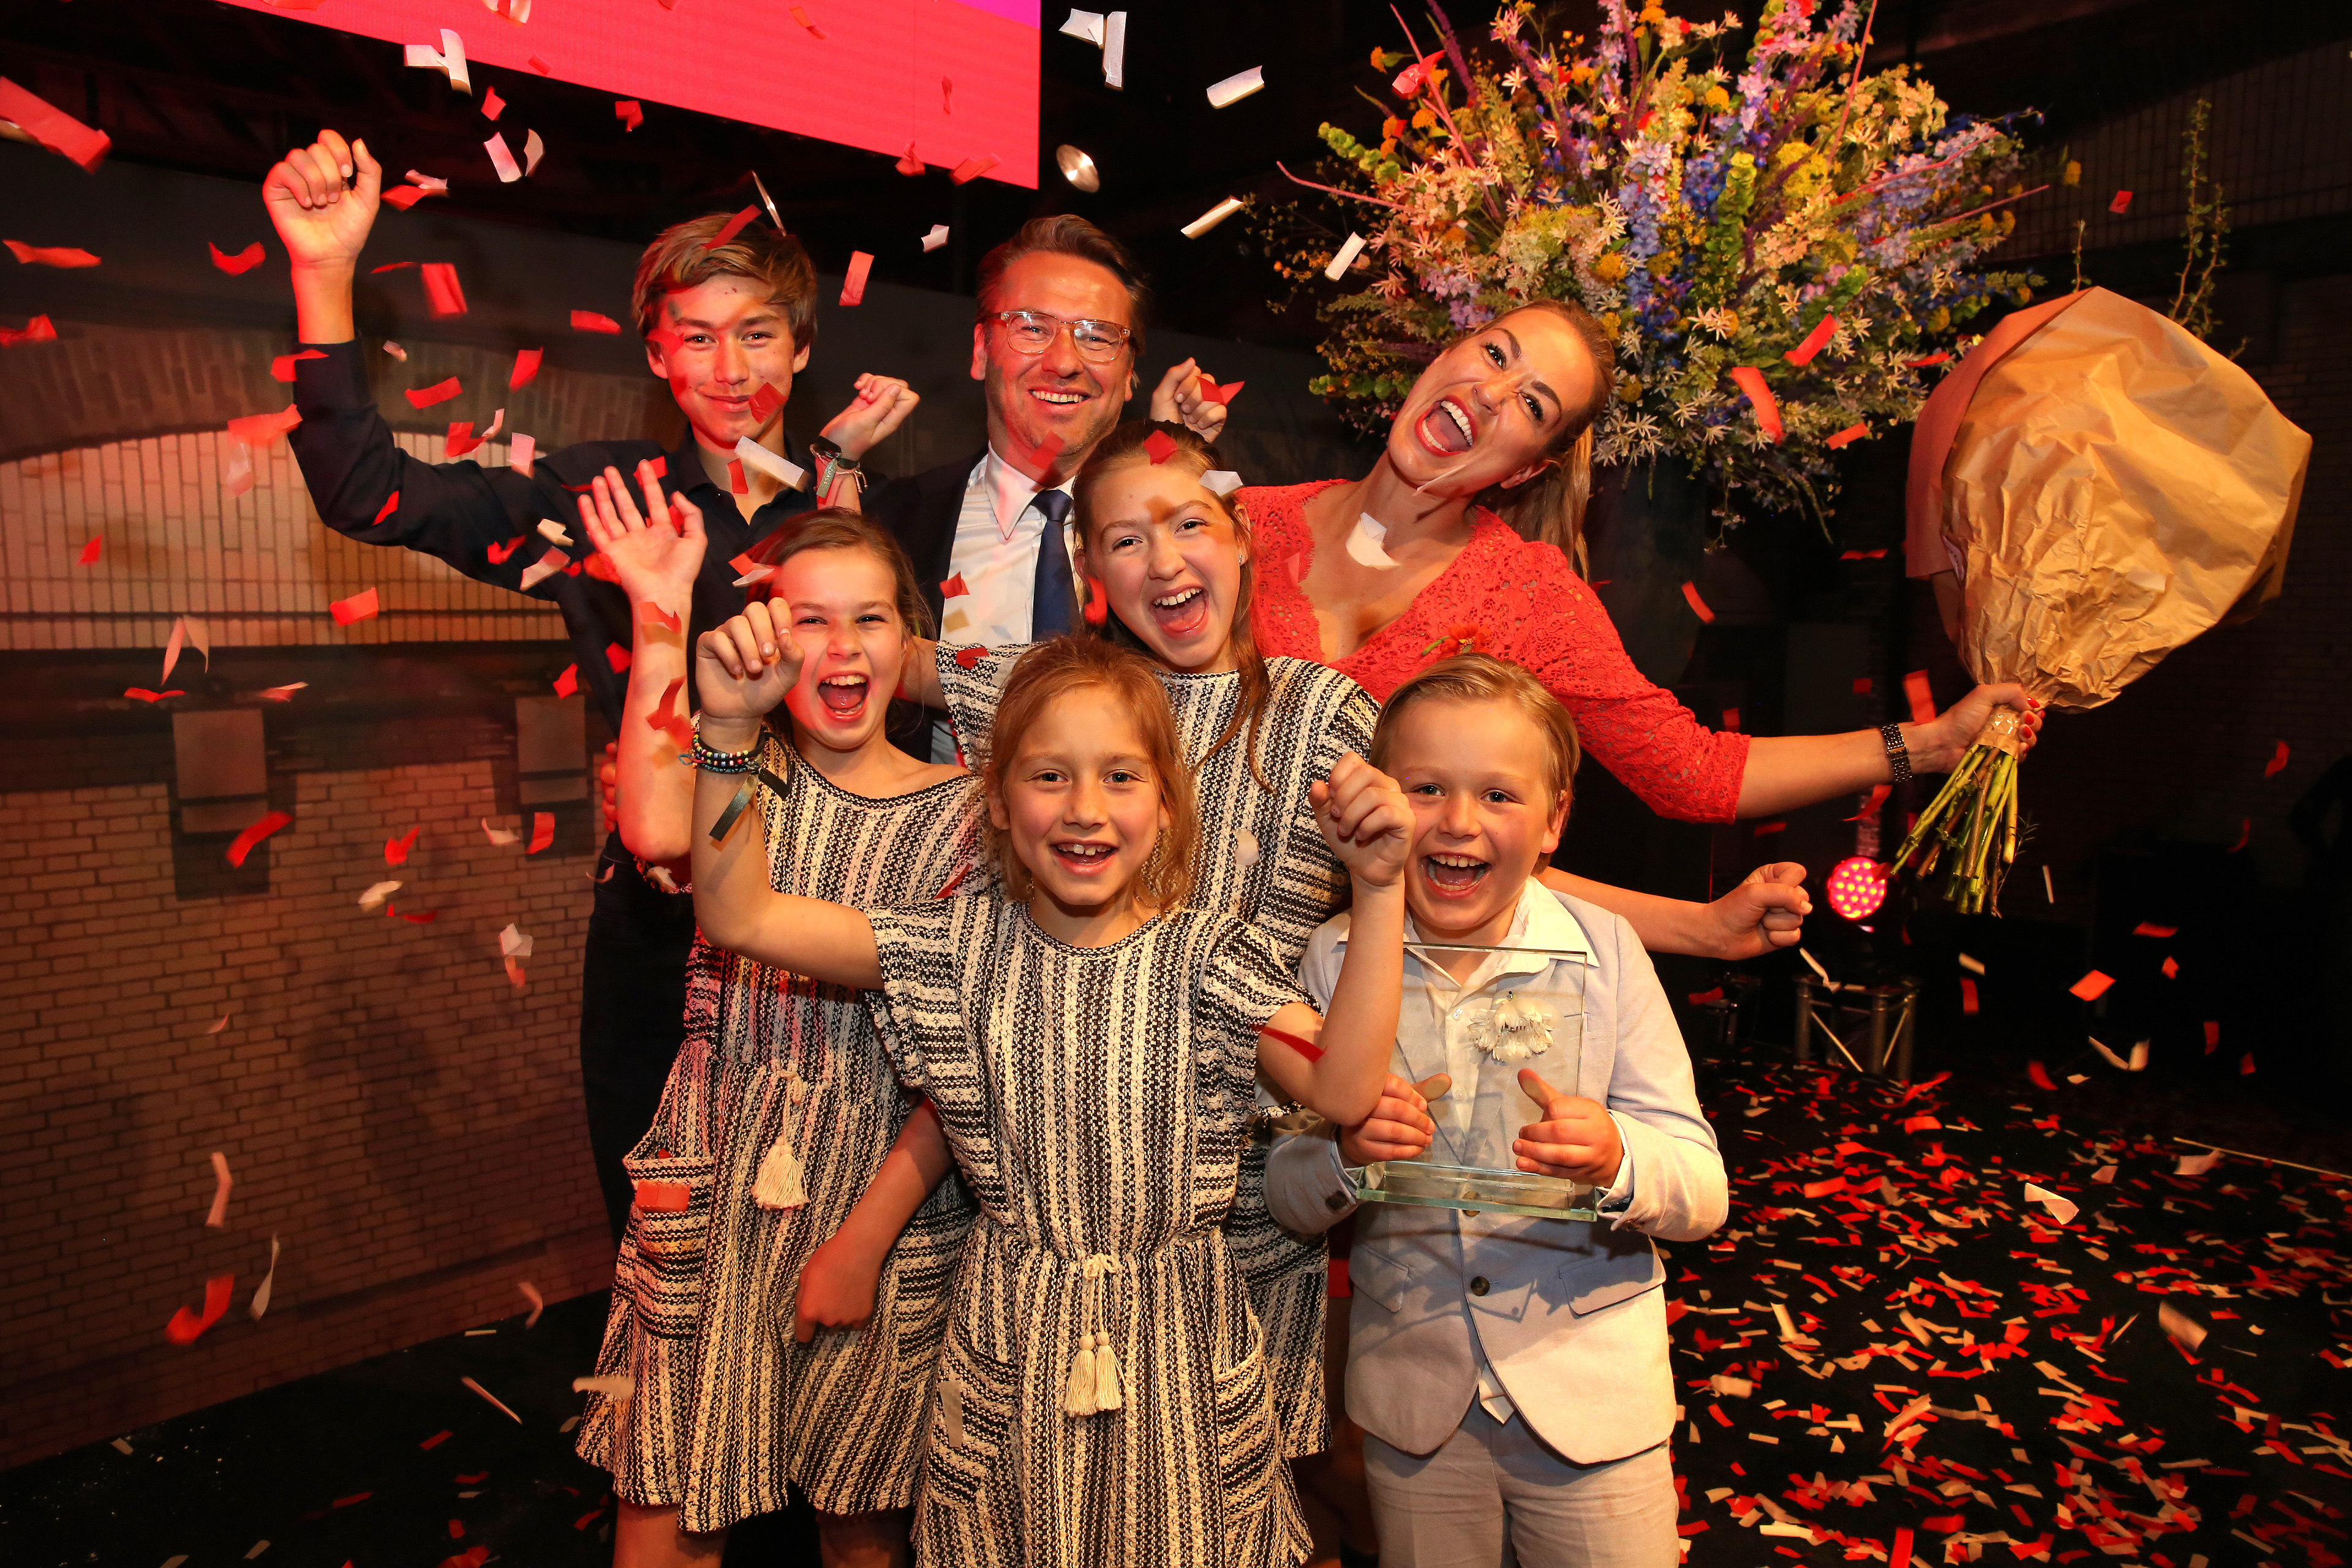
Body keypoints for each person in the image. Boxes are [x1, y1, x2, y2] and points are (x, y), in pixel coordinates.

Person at [261, 129, 919, 1242]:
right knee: (656, 1242)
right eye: (697, 339)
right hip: (659, 934)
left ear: (802, 347)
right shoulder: (605, 499)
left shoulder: (867, 511)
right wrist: (323, 275)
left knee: (832, 1249)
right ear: (657, 357)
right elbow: (366, 491)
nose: (731, 369)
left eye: (758, 334)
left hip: (837, 916)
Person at [688, 630, 1416, 1567]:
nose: (1085, 810)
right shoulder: (955, 951)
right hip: (1011, 1345)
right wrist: (729, 729)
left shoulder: (1209, 959)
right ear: (994, 795)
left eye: (1121, 776)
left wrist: (1381, 885)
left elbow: (1347, 1086)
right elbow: (740, 913)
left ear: (1165, 800)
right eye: (1048, 777)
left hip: (1180, 1356)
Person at [567, 479, 975, 1566]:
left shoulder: (969, 813)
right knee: (663, 1491)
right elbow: (655, 826)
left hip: (880, 1177)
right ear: (761, 637)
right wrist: (664, 615)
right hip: (712, 1166)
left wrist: (864, 1240)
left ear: (914, 642)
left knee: (861, 1521)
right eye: (809, 618)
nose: (840, 648)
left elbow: (967, 1070)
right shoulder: (736, 772)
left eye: (870, 619)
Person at [1242, 297, 2041, 842]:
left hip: (1364, 990)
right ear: (1447, 351)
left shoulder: (1527, 596)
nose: (1490, 392)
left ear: (1528, 469)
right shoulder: (1239, 524)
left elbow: (1692, 773)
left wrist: (1930, 744)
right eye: (1493, 353)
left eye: (1532, 405)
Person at [1265, 654, 1728, 1568]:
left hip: (1594, 1408)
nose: (1458, 822)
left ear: (1555, 820)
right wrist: (1346, 1157)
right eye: (1426, 788)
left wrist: (1616, 1158)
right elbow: (1284, 1189)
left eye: (1499, 796)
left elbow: (1703, 1189)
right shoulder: (1334, 959)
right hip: (1417, 1410)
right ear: (1380, 802)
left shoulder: (1608, 952)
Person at [862, 214, 1229, 763]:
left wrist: (1169, 470)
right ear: (982, 350)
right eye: (1032, 327)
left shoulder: (1187, 543)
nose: (1063, 362)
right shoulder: (889, 522)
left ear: (1130, 375)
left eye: (1097, 337)